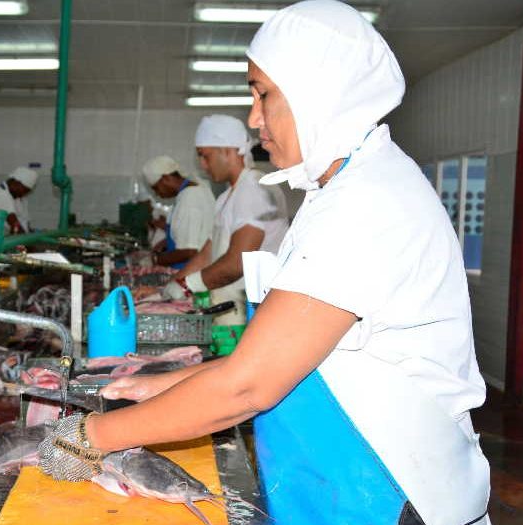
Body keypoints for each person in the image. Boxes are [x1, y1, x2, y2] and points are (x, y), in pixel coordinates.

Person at [35, 2, 492, 524]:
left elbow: (250, 385)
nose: (254, 119)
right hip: (348, 479)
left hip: (391, 491)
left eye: (264, 94)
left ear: (318, 93)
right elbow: (288, 354)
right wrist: (158, 386)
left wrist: (89, 437)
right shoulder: (349, 190)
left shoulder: (366, 204)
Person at [162, 114, 289, 325]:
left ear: (227, 151)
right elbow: (207, 254)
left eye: (205, 156)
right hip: (230, 310)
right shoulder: (226, 197)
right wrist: (170, 286)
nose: (202, 165)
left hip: (255, 314)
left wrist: (187, 285)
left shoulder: (255, 189)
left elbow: (236, 263)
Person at [142, 155, 215, 269]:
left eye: (156, 188)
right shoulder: (193, 191)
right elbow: (190, 235)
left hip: (192, 272)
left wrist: (156, 259)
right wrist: (164, 242)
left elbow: (189, 252)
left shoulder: (190, 198)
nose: (157, 194)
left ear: (166, 178)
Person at [0, 166, 38, 238]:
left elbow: (25, 224)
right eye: (24, 190)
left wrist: (34, 234)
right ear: (15, 182)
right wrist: (29, 246)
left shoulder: (18, 197)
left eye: (27, 192)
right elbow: (15, 225)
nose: (23, 194)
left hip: (3, 241)